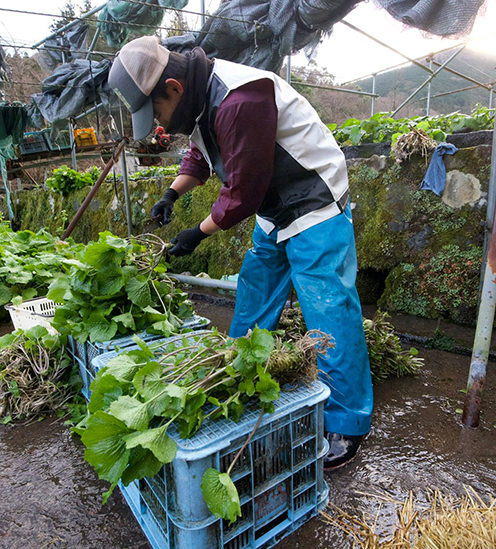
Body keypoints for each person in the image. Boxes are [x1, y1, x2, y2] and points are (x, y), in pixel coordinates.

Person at [107, 36, 372, 470]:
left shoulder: (239, 97)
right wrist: (172, 194)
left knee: (328, 311)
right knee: (255, 290)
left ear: (172, 87)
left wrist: (198, 231)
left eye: (156, 111)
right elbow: (201, 151)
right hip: (275, 204)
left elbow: (243, 190)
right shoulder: (197, 95)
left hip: (312, 198)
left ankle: (347, 423)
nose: (159, 121)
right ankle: (243, 371)